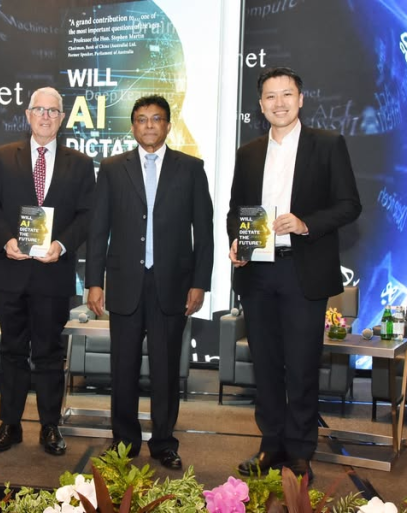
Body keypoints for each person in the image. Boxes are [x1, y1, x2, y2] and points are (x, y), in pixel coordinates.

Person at [227, 67, 361, 481]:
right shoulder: (248, 152)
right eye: (270, 96)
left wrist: (305, 224)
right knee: (266, 365)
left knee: (302, 366)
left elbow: (349, 205)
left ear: (300, 99)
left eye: (287, 94)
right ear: (261, 104)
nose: (279, 103)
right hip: (258, 273)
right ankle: (270, 446)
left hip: (303, 271)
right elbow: (236, 209)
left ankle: (300, 451)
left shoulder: (328, 144)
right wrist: (237, 243)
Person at [86, 95, 214, 469]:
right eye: (141, 119)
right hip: (125, 283)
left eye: (156, 119)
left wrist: (200, 282)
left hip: (172, 285)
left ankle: (164, 443)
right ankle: (124, 441)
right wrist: (94, 282)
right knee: (123, 369)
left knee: (165, 370)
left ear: (168, 126)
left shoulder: (191, 168)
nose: (149, 125)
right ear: (133, 127)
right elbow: (98, 229)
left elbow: (203, 231)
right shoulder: (112, 168)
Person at [0, 87, 95, 456]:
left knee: (48, 352)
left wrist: (62, 245)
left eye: (53, 111)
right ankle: (9, 425)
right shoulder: (1, 156)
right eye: (39, 110)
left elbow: (87, 215)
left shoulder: (80, 163)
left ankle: (49, 426)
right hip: (10, 270)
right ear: (28, 115)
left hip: (53, 272)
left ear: (62, 118)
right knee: (11, 350)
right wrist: (5, 240)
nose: (46, 116)